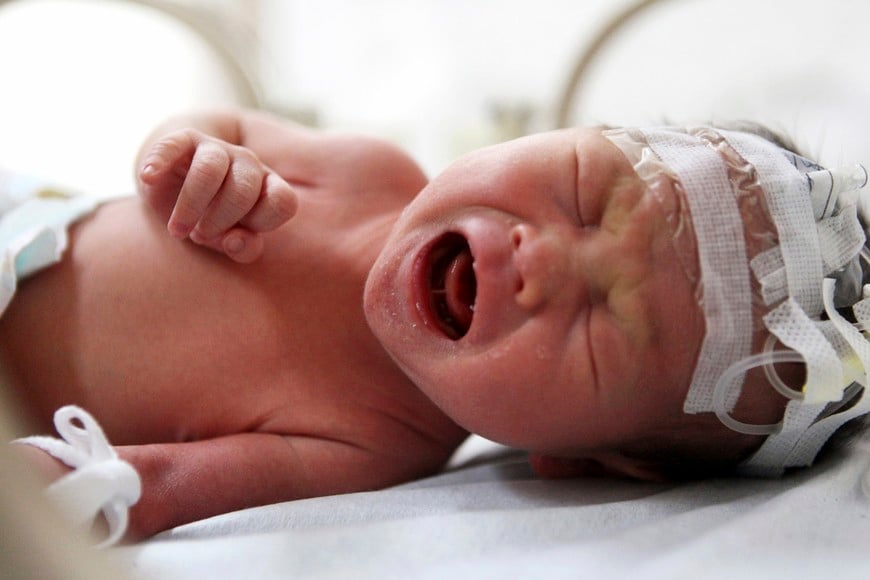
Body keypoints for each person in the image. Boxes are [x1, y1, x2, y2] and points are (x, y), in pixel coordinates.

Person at [2, 109, 868, 543]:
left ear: (584, 459)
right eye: (578, 191)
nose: (542, 262)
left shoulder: (378, 440)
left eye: (606, 323)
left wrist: (55, 486)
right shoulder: (367, 173)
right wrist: (193, 161)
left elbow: (150, 485)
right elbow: (215, 126)